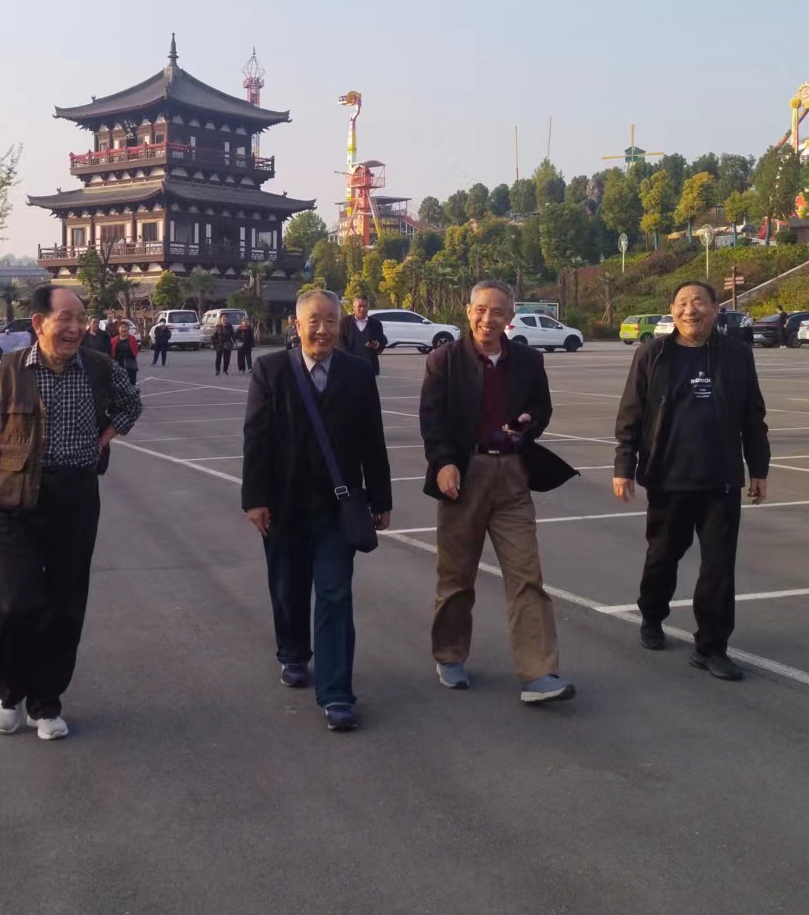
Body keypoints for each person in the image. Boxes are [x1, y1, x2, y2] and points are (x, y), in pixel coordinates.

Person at [0, 285, 144, 739]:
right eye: (65, 318)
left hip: (75, 497)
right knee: (14, 602)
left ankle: (46, 703)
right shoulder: (11, 370)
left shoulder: (97, 367)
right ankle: (10, 693)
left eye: (81, 319)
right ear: (39, 323)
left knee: (65, 604)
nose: (76, 327)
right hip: (16, 499)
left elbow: (131, 405)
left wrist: (102, 440)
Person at [419, 279, 580, 704]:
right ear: (468, 311)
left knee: (527, 576)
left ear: (510, 316)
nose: (487, 319)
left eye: (497, 312)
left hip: (511, 476)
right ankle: (450, 655)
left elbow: (542, 408)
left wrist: (530, 422)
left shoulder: (528, 360)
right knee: (456, 575)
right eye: (481, 310)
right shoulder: (444, 360)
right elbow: (432, 420)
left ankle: (539, 673)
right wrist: (444, 463)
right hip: (463, 475)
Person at [241, 290, 393, 732]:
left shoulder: (358, 372)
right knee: (288, 587)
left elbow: (372, 439)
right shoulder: (271, 370)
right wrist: (255, 498)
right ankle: (292, 651)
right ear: (297, 324)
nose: (323, 330)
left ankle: (337, 692)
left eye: (330, 321)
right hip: (284, 504)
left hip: (337, 507)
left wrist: (380, 499)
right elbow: (256, 438)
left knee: (334, 593)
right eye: (314, 321)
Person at [612, 278, 770, 682]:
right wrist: (623, 465)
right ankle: (652, 615)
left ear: (715, 309)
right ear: (672, 310)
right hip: (668, 477)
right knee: (663, 556)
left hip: (721, 480)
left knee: (719, 566)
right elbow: (631, 413)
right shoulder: (653, 354)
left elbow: (753, 415)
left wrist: (759, 468)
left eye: (699, 302)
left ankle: (712, 647)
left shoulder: (736, 355)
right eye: (682, 302)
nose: (690, 309)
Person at [338, 295, 388, 375]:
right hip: (348, 367)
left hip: (369, 367)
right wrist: (353, 359)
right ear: (353, 307)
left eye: (365, 306)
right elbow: (339, 344)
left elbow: (381, 343)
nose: (362, 309)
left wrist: (376, 345)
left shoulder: (376, 324)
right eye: (359, 306)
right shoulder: (344, 322)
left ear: (368, 307)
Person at [111, 319, 141, 386]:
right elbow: (111, 352)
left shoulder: (132, 338)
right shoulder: (114, 340)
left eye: (125, 327)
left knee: (131, 384)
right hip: (118, 366)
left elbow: (136, 349)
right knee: (119, 385)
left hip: (131, 365)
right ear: (119, 329)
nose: (123, 329)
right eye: (122, 327)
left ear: (128, 329)